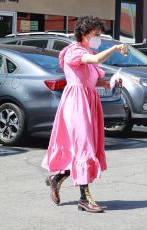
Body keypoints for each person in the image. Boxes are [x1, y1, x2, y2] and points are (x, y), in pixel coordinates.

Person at [41, 15, 128, 213]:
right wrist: (115, 48)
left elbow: (91, 80)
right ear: (84, 33)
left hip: (89, 102)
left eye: (99, 34)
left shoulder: (90, 51)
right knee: (84, 148)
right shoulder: (73, 51)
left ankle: (57, 178)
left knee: (86, 147)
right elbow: (95, 60)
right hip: (76, 104)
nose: (98, 37)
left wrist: (110, 83)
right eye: (95, 34)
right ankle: (84, 198)